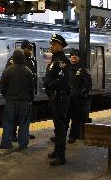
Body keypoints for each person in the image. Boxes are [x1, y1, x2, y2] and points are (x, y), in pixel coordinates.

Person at [0, 49, 34, 150]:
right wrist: (30, 99)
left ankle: (6, 143)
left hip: (10, 101)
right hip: (24, 102)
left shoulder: (7, 70)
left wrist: (7, 97)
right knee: (24, 123)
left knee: (8, 123)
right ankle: (23, 144)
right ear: (23, 58)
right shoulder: (28, 71)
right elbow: (32, 88)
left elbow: (2, 86)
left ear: (13, 58)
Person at [44, 34, 71, 166]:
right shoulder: (55, 60)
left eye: (54, 44)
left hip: (60, 97)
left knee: (60, 128)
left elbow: (63, 80)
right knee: (57, 127)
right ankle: (56, 151)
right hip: (55, 97)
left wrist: (49, 84)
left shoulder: (62, 62)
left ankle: (61, 156)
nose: (51, 46)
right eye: (51, 44)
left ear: (60, 46)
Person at [6, 40, 37, 141]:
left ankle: (24, 134)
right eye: (28, 49)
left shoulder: (32, 61)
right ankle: (13, 135)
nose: (30, 51)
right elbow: (6, 78)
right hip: (15, 94)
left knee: (26, 118)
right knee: (14, 117)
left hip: (26, 95)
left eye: (31, 49)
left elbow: (33, 78)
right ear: (23, 49)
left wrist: (32, 93)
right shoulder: (13, 60)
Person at [67, 49, 92, 144]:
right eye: (72, 55)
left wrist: (80, 93)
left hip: (77, 100)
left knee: (75, 120)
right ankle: (61, 136)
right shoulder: (66, 69)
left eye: (76, 55)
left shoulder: (83, 70)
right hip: (67, 99)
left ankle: (72, 136)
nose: (73, 56)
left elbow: (87, 85)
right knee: (64, 119)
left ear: (79, 58)